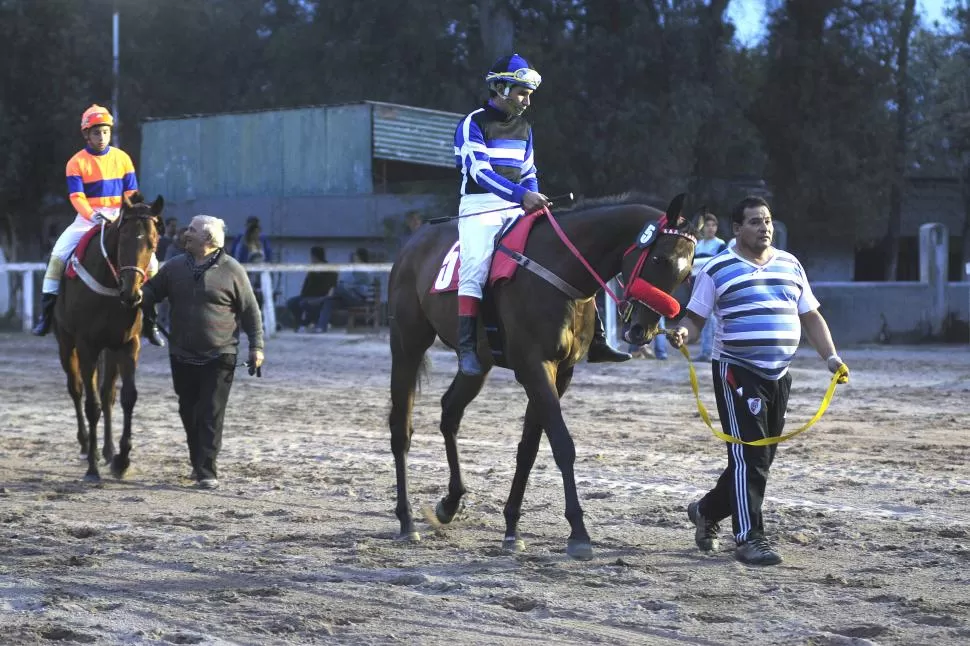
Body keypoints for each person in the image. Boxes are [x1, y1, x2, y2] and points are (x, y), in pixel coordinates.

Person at [668, 196, 848, 566]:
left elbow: (811, 316)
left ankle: (706, 510)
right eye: (755, 222)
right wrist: (683, 334)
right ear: (737, 229)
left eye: (767, 220)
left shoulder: (790, 264)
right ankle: (749, 538)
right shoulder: (717, 269)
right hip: (736, 369)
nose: (764, 227)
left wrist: (831, 357)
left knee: (760, 456)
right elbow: (696, 320)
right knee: (748, 452)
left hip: (779, 375)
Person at [453, 54, 629, 375]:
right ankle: (466, 349)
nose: (527, 101)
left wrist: (533, 195)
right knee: (475, 267)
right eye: (522, 92)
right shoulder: (473, 123)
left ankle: (597, 339)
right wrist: (524, 195)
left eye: (530, 94)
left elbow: (528, 170)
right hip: (480, 209)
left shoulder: (525, 127)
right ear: (501, 87)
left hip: (518, 206)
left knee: (569, 252)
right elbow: (480, 172)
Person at [140, 214, 264, 490]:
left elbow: (250, 311)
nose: (186, 233)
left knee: (211, 412)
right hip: (181, 353)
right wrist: (136, 295)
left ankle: (207, 470)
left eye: (192, 231)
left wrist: (256, 346)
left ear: (207, 239)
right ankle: (198, 461)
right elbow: (150, 291)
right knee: (188, 410)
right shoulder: (174, 267)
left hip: (220, 355)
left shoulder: (233, 270)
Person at [32, 104, 164, 346]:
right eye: (96, 133)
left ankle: (150, 321)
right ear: (86, 134)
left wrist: (129, 212)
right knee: (58, 256)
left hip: (120, 216)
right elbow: (76, 197)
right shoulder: (76, 162)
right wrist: (93, 215)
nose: (101, 137)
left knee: (152, 263)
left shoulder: (123, 158)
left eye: (105, 132)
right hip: (87, 219)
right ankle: (47, 315)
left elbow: (132, 192)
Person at [691, 209, 728, 362]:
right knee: (704, 318)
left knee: (711, 318)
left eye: (714, 225)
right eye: (708, 225)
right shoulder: (697, 245)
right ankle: (706, 351)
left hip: (714, 284)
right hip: (698, 284)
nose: (711, 228)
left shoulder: (720, 244)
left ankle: (711, 351)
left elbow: (719, 263)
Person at [313, 248, 375, 332]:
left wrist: (349, 286)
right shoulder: (352, 269)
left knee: (338, 288)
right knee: (329, 300)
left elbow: (364, 291)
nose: (354, 259)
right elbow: (343, 281)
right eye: (354, 257)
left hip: (359, 299)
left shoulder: (367, 270)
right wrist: (346, 286)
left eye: (356, 257)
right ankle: (321, 327)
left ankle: (321, 299)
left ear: (361, 258)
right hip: (347, 297)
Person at [286, 246, 337, 331]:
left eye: (312, 257)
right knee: (291, 302)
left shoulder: (330, 270)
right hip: (307, 296)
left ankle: (313, 323)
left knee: (304, 303)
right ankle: (301, 323)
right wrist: (303, 295)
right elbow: (306, 285)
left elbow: (331, 286)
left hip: (321, 296)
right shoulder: (312, 269)